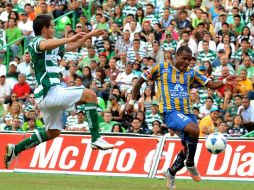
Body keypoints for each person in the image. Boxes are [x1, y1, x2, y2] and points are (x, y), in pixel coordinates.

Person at [4, 15, 114, 169]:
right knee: (90, 95)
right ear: (44, 29)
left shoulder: (52, 45)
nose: (54, 30)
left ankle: (15, 149)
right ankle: (96, 138)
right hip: (50, 92)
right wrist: (68, 39)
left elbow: (72, 47)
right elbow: (45, 45)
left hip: (48, 97)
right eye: (52, 27)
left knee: (53, 132)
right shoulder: (36, 42)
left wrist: (89, 35)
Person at [126, 46, 235, 189]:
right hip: (170, 112)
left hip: (187, 112)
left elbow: (211, 84)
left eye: (189, 60)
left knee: (186, 148)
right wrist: (132, 102)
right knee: (196, 130)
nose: (186, 62)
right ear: (176, 56)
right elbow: (140, 81)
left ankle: (171, 172)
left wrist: (225, 81)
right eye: (184, 59)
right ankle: (190, 163)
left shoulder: (191, 73)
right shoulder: (161, 68)